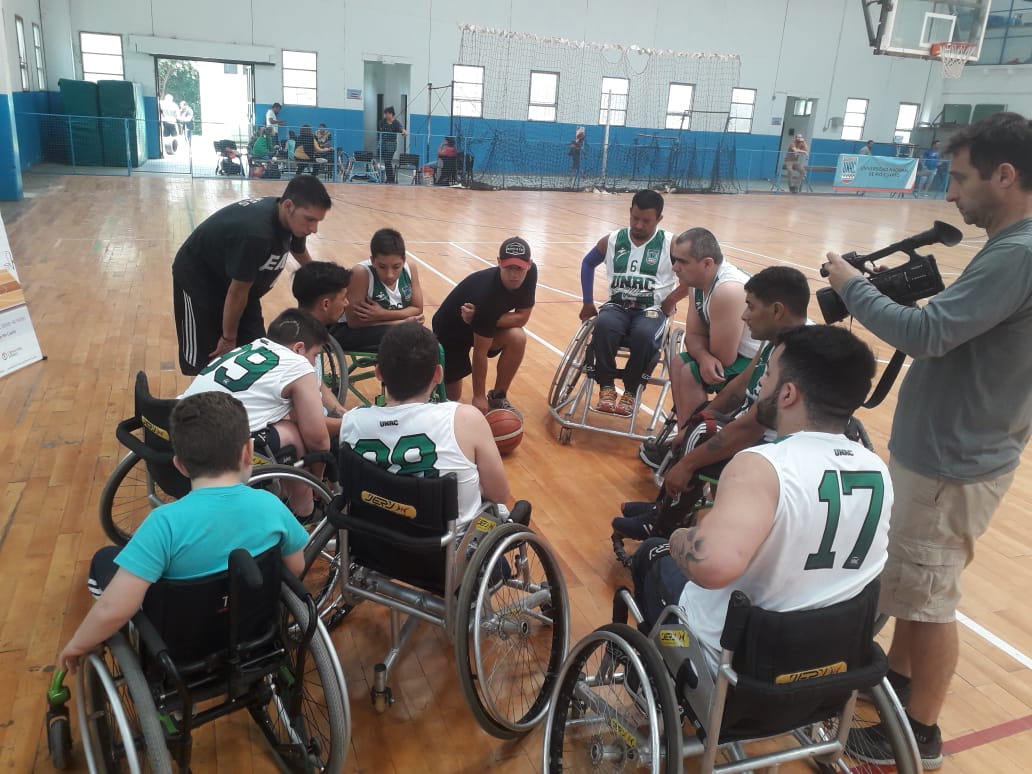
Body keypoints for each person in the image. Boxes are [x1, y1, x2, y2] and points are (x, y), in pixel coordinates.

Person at [824, 111, 1032, 770]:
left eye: (961, 178)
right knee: (917, 586)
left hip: (952, 463)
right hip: (957, 452)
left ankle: (917, 736)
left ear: (1006, 175)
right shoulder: (1013, 248)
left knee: (933, 597)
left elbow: (925, 335)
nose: (950, 193)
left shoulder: (1018, 254)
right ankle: (900, 691)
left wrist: (851, 287)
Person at [628, 324, 890, 677]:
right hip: (833, 659)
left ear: (788, 395)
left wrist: (680, 538)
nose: (762, 385)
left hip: (744, 662)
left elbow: (711, 566)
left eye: (767, 375)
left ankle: (655, 680)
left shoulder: (763, 465)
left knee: (652, 553)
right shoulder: (876, 468)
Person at [57, 391, 309, 675]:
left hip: (181, 654)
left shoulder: (164, 524)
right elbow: (295, 567)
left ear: (179, 464)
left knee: (105, 559)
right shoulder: (270, 506)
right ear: (248, 452)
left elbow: (114, 609)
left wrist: (78, 643)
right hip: (254, 635)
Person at [621, 266, 811, 538]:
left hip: (771, 450)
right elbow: (738, 388)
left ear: (777, 311)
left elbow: (753, 426)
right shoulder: (777, 337)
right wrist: (692, 423)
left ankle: (664, 525)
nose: (744, 316)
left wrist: (687, 463)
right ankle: (663, 507)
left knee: (704, 431)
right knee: (700, 420)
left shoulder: (795, 353)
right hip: (752, 430)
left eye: (751, 307)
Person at [340, 322, 511, 528]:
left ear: (378, 373)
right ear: (438, 375)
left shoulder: (352, 421)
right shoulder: (465, 419)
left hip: (374, 548)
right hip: (447, 553)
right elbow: (499, 494)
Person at [180, 308, 332, 520]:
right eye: (315, 355)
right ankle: (305, 511)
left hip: (176, 423)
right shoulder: (298, 364)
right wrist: (317, 480)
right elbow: (319, 440)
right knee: (293, 433)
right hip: (215, 446)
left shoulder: (252, 346)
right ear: (299, 348)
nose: (315, 363)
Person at [172, 174, 330, 376]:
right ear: (288, 205)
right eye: (310, 220)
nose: (314, 229)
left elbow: (298, 251)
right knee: (208, 360)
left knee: (255, 351)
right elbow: (237, 292)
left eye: (318, 221)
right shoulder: (256, 233)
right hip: (200, 281)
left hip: (242, 288)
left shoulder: (292, 223)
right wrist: (229, 338)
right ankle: (191, 402)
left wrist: (322, 278)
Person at [580, 189, 688, 416]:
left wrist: (671, 299)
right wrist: (588, 301)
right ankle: (607, 386)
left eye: (646, 221)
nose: (639, 225)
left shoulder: (671, 243)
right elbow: (588, 263)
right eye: (635, 218)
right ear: (630, 212)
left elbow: (694, 277)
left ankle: (631, 390)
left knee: (644, 335)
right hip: (617, 307)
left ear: (659, 219)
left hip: (651, 310)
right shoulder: (612, 240)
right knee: (603, 325)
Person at [665, 227, 761, 427]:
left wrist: (703, 356)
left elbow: (725, 357)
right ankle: (685, 438)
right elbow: (694, 334)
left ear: (707, 263)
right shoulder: (696, 283)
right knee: (677, 363)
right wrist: (703, 355)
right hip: (743, 355)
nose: (675, 267)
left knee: (691, 373)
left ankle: (694, 439)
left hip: (768, 360)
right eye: (674, 259)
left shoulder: (728, 290)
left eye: (682, 261)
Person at [432, 236, 537, 416]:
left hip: (481, 318)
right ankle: (426, 379)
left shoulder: (531, 274)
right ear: (499, 263)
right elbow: (480, 353)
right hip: (451, 332)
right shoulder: (487, 295)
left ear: (529, 264)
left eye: (519, 268)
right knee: (450, 398)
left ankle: (498, 397)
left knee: (517, 336)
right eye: (509, 267)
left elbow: (522, 318)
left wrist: (482, 318)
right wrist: (478, 396)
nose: (514, 274)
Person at [332, 228, 425, 352]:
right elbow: (354, 323)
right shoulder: (361, 273)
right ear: (372, 261)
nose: (389, 274)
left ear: (404, 260)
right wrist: (402, 322)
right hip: (348, 331)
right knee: (402, 337)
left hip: (387, 327)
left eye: (396, 267)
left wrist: (383, 314)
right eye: (382, 266)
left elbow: (417, 309)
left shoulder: (410, 268)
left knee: (425, 338)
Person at [291, 261, 352, 433]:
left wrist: (343, 414)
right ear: (326, 304)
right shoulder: (299, 349)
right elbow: (300, 420)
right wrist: (352, 426)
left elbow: (319, 385)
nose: (347, 303)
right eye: (343, 297)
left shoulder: (300, 329)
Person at [378, 106, 408, 184]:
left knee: (388, 161)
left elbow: (401, 129)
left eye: (387, 114)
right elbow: (380, 127)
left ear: (391, 114)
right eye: (385, 114)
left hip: (391, 146)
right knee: (386, 162)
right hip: (383, 145)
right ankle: (389, 178)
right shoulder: (383, 122)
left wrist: (404, 131)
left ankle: (390, 179)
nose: (385, 115)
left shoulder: (396, 123)